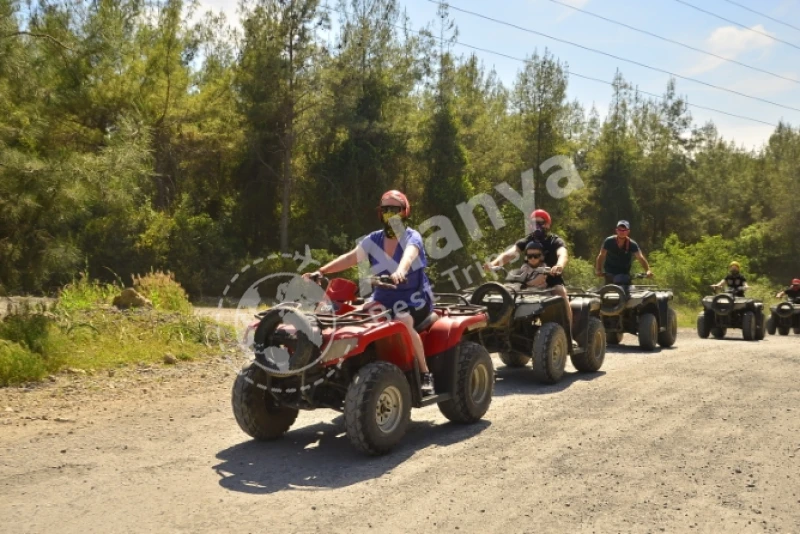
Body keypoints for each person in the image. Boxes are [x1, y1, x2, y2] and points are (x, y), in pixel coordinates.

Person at [304, 190, 437, 394]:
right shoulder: (374, 239)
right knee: (352, 317)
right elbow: (350, 258)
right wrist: (321, 271)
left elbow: (409, 256)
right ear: (380, 213)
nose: (389, 214)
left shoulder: (412, 237)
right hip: (383, 297)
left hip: (414, 299)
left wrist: (400, 271)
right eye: (385, 209)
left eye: (394, 209)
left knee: (403, 320)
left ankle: (425, 372)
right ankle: (345, 368)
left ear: (404, 212)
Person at [484, 209, 571, 323]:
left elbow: (562, 254)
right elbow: (509, 254)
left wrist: (559, 265)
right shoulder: (526, 240)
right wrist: (493, 264)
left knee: (561, 292)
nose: (537, 226)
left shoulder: (554, 240)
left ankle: (569, 333)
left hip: (552, 282)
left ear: (548, 225)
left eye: (540, 223)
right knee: (507, 293)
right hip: (528, 281)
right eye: (534, 223)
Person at [594, 220, 653, 285]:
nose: (622, 232)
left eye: (624, 230)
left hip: (625, 275)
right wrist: (598, 270)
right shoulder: (609, 241)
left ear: (628, 231)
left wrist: (648, 270)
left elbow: (640, 257)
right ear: (616, 230)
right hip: (610, 274)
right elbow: (601, 255)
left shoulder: (632, 244)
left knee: (629, 288)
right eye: (620, 230)